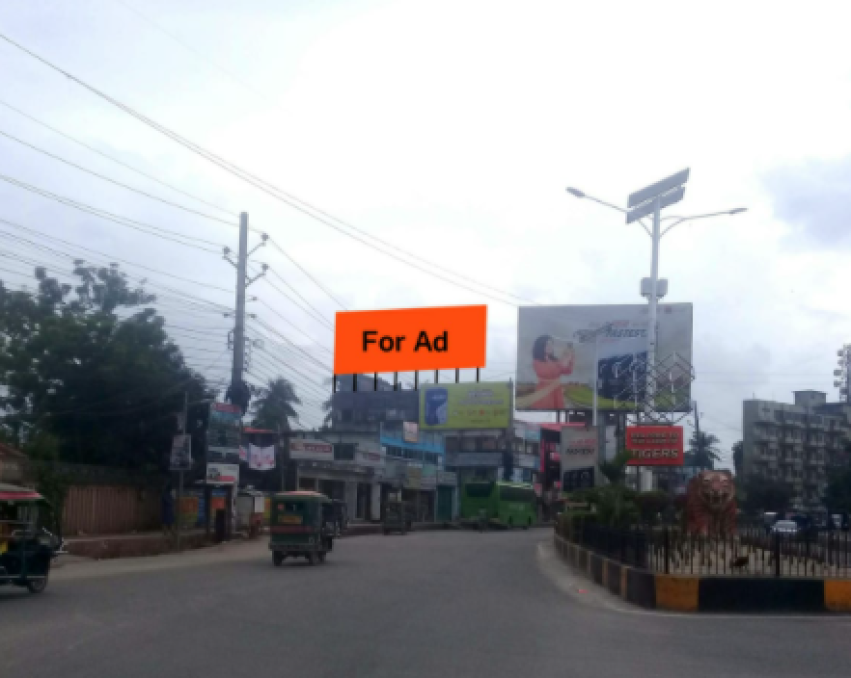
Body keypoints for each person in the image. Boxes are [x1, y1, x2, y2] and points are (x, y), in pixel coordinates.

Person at [530, 335, 574, 409]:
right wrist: (564, 360)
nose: (550, 346)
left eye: (551, 344)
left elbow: (567, 371)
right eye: (547, 344)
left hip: (556, 390)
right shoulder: (537, 362)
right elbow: (548, 372)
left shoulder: (555, 360)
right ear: (541, 346)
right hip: (544, 392)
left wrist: (570, 357)